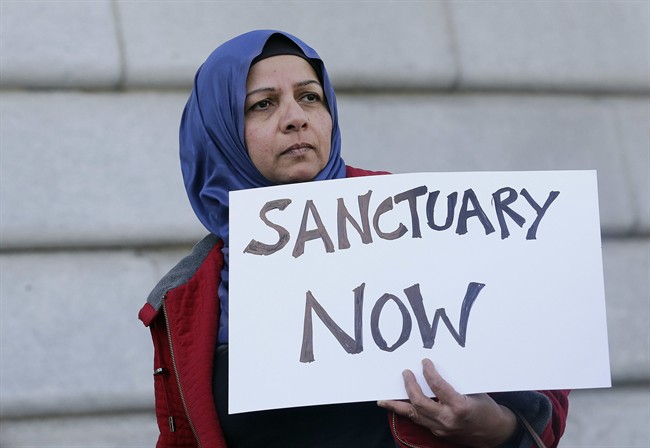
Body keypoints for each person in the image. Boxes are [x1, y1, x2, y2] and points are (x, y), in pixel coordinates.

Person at [138, 30, 570, 448]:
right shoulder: (186, 297)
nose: (295, 118)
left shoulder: (421, 221)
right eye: (262, 105)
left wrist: (493, 428)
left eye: (310, 97)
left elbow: (542, 394)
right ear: (219, 132)